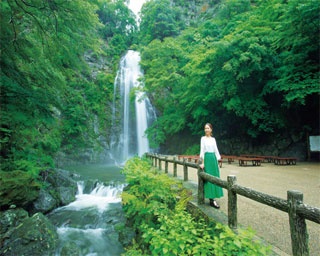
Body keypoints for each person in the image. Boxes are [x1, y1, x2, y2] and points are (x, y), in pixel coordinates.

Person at [199, 123, 223, 209]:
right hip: (207, 158)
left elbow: (216, 150)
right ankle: (211, 200)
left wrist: (218, 160)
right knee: (208, 179)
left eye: (208, 128)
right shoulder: (203, 139)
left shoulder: (213, 139)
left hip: (213, 159)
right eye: (205, 128)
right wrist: (202, 162)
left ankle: (214, 197)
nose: (206, 130)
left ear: (211, 129)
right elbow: (202, 150)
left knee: (215, 177)